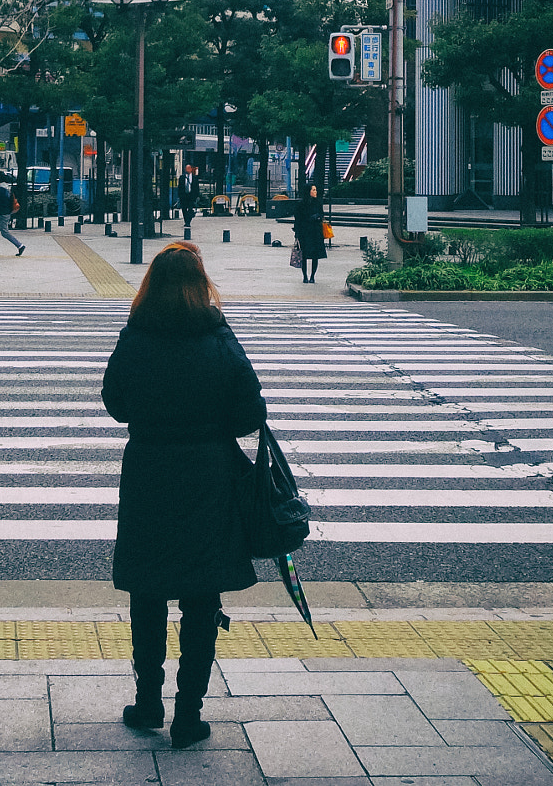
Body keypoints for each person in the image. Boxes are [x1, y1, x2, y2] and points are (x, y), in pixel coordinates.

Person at [101, 241, 266, 749]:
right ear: (201, 286)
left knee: (147, 592)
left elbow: (116, 404)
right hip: (207, 476)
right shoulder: (219, 338)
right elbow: (248, 415)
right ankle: (188, 716)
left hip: (150, 471)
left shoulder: (136, 335)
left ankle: (147, 702)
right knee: (200, 596)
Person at [293, 183, 326, 284]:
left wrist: (318, 217)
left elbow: (322, 214)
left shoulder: (318, 203)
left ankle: (312, 276)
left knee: (315, 255)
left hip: (316, 232)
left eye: (316, 190)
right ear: (309, 191)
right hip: (305, 232)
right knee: (304, 255)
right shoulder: (301, 204)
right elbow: (298, 219)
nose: (315, 192)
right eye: (314, 190)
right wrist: (297, 233)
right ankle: (305, 276)